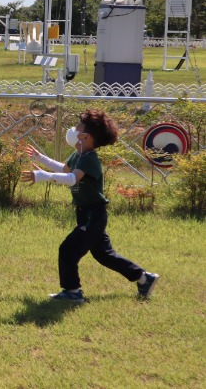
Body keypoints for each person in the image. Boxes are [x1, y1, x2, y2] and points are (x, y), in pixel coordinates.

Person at [21, 109, 159, 303]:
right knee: (104, 255)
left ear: (86, 136)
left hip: (93, 214)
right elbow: (65, 169)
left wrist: (44, 176)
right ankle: (144, 278)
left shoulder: (90, 158)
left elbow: (71, 179)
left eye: (78, 127)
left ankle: (73, 291)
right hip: (87, 213)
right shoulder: (78, 154)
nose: (73, 129)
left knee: (68, 249)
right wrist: (41, 159)